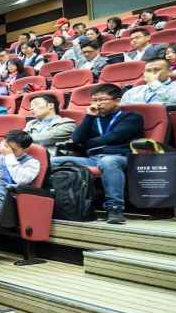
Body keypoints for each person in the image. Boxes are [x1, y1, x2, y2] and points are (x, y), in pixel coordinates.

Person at [51, 84, 143, 224]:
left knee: (108, 162)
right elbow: (77, 138)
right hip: (93, 159)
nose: (97, 104)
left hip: (121, 157)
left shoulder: (131, 117)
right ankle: (58, 204)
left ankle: (115, 208)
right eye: (94, 100)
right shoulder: (93, 118)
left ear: (117, 100)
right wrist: (89, 116)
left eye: (102, 99)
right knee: (52, 161)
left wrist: (88, 143)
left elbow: (114, 137)